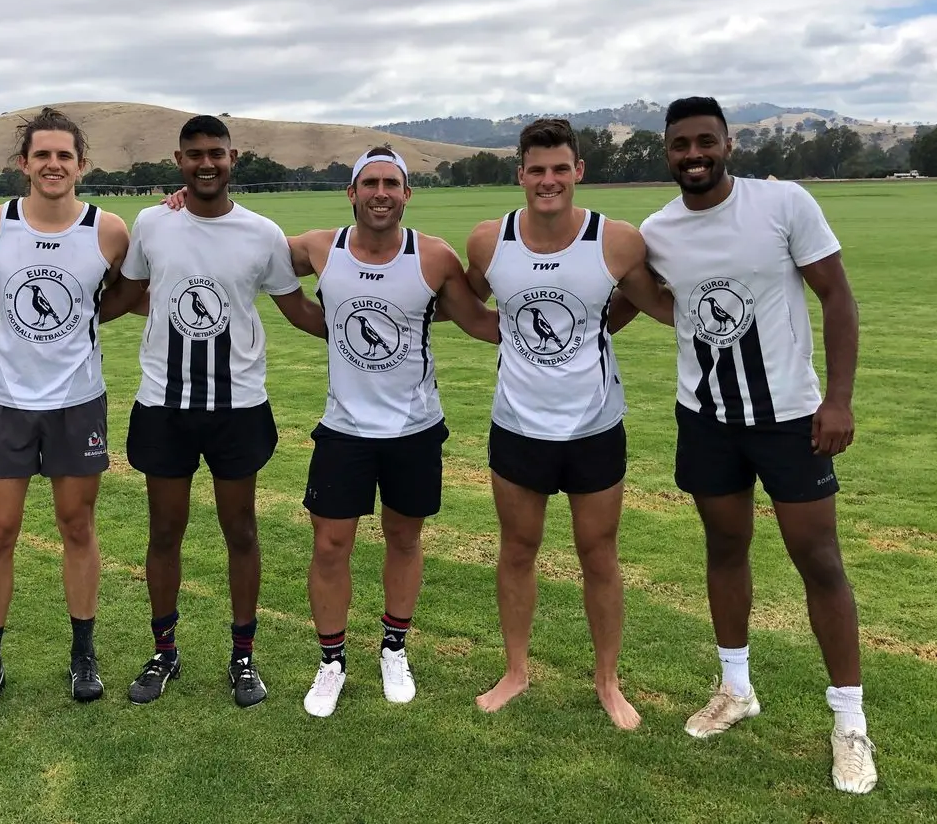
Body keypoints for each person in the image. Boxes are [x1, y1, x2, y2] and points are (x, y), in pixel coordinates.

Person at [626, 96, 876, 793]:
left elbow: (837, 297)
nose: (694, 154)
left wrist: (838, 399)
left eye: (706, 141)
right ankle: (736, 688)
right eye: (681, 144)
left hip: (792, 418)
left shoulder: (783, 203)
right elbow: (654, 299)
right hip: (706, 418)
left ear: (728, 144)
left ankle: (850, 723)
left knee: (818, 560)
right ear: (667, 151)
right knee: (725, 547)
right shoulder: (658, 230)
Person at [100, 115, 326, 709]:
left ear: (234, 157)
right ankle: (165, 653)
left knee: (240, 530)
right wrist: (62, 322)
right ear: (179, 159)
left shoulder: (262, 233)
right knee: (165, 531)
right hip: (164, 404)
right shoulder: (153, 222)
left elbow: (298, 311)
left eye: (217, 154)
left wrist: (379, 329)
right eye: (195, 154)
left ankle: (243, 657)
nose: (207, 163)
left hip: (237, 405)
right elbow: (126, 295)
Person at [462, 118, 673, 730]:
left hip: (594, 428)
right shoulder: (488, 240)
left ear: (579, 171)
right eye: (537, 169)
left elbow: (650, 299)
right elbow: (464, 295)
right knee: (518, 550)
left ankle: (608, 681)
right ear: (520, 174)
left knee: (599, 554)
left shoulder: (617, 241)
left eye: (560, 169)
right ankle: (516, 672)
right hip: (518, 427)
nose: (548, 180)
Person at [291, 148, 499, 718]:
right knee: (331, 545)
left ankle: (393, 648)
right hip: (344, 430)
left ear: (407, 194)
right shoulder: (317, 248)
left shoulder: (432, 257)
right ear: (351, 192)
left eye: (392, 184)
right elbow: (245, 252)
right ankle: (331, 661)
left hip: (414, 430)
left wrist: (568, 318)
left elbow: (478, 319)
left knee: (404, 541)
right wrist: (184, 208)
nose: (381, 193)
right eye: (370, 183)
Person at [0, 108, 130, 724]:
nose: (53, 165)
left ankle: (84, 654)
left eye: (65, 156)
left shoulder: (108, 230)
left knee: (77, 526)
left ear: (81, 165)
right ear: (24, 163)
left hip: (77, 402)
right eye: (42, 155)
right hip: (4, 402)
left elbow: (124, 292)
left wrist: (82, 327)